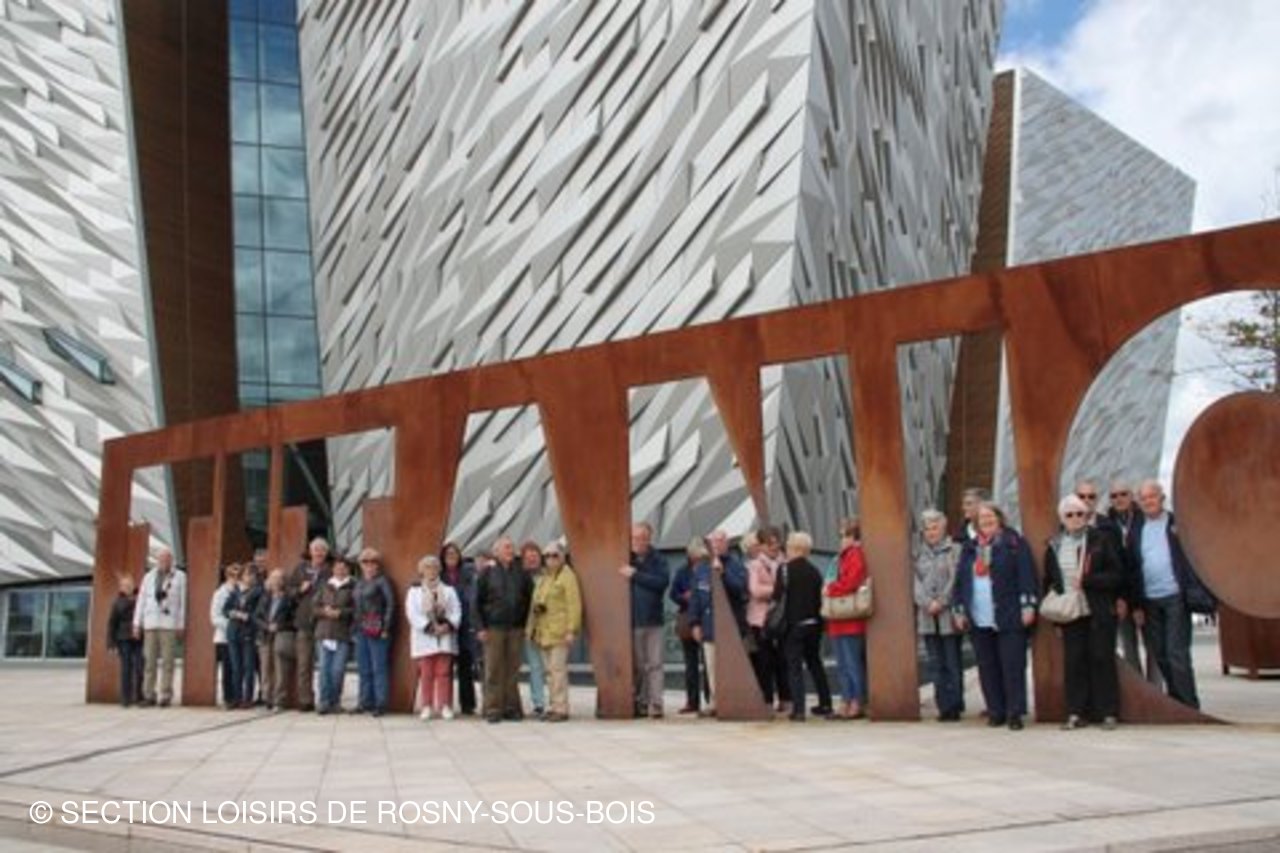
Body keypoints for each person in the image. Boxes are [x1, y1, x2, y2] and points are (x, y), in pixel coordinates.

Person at [1045, 494, 1127, 730]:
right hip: (1071, 611)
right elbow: (1050, 580)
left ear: (1087, 515)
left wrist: (1090, 581)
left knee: (1102, 658)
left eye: (1079, 513)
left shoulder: (1101, 540)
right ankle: (1076, 711)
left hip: (1097, 609)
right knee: (1074, 662)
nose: (1075, 518)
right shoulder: (1055, 544)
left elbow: (1117, 574)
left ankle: (1108, 712)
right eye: (1069, 514)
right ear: (1062, 518)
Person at [1130, 479, 1213, 709]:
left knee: (1177, 653)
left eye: (1152, 496)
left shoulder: (1177, 524)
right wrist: (1136, 604)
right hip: (1149, 599)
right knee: (1160, 653)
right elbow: (1132, 567)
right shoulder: (1137, 529)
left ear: (1162, 498)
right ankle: (1176, 700)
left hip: (1176, 596)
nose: (1148, 501)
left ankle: (1189, 704)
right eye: (1143, 498)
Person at [953, 502, 1037, 730]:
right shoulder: (970, 547)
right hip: (979, 616)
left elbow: (1026, 575)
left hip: (1008, 612)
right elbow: (960, 581)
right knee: (987, 667)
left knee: (1012, 665)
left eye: (991, 516)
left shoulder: (1014, 543)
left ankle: (1014, 712)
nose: (987, 520)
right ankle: (996, 711)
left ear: (999, 518)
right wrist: (959, 609)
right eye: (982, 518)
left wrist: (1028, 606)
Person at [775, 531, 833, 721]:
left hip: (793, 625)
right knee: (815, 663)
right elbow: (819, 598)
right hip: (814, 624)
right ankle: (826, 704)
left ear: (793, 548)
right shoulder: (814, 571)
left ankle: (799, 710)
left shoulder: (784, 570)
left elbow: (777, 595)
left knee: (794, 667)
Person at [476, 535, 534, 723]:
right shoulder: (487, 573)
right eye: (507, 547)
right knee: (494, 669)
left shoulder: (521, 572)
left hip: (516, 628)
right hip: (494, 628)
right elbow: (476, 602)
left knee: (512, 669)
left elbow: (530, 599)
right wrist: (480, 627)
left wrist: (526, 624)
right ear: (496, 552)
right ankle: (493, 708)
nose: (511, 550)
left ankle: (511, 707)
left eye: (511, 547)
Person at [914, 510, 964, 721]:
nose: (931, 532)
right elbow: (914, 581)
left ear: (943, 528)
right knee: (936, 665)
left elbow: (956, 579)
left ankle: (955, 705)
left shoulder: (954, 550)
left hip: (947, 616)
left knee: (952, 663)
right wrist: (926, 602)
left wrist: (942, 601)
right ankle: (943, 706)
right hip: (927, 616)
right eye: (927, 529)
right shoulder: (918, 553)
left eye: (935, 528)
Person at [526, 542, 582, 722]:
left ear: (562, 557)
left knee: (558, 671)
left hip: (560, 632)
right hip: (544, 632)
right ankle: (553, 706)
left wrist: (572, 629)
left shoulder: (567, 576)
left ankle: (561, 708)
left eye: (554, 555)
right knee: (549, 672)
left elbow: (574, 604)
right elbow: (535, 605)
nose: (551, 559)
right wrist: (530, 629)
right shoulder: (544, 578)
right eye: (547, 556)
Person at [619, 521, 670, 719]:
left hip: (653, 620)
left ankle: (656, 704)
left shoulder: (658, 559)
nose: (638, 542)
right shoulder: (625, 557)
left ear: (649, 539)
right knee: (638, 666)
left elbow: (661, 583)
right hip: (631, 621)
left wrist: (635, 575)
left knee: (655, 664)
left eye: (642, 538)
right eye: (634, 538)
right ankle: (640, 702)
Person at [1105, 479, 1152, 679]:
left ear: (1132, 496)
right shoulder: (1107, 525)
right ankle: (1138, 688)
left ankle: (1154, 689)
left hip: (1145, 591)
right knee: (1129, 646)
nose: (1119, 499)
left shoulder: (1144, 520)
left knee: (1153, 647)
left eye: (1123, 494)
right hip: (1121, 595)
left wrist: (1139, 603)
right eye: (1114, 496)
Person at [407, 555, 462, 721]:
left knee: (444, 673)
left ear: (439, 570)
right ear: (421, 571)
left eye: (434, 567)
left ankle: (444, 705)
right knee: (426, 673)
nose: (431, 570)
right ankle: (426, 706)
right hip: (425, 637)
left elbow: (456, 610)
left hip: (445, 636)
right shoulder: (414, 591)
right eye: (427, 567)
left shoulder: (449, 590)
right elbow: (412, 613)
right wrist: (429, 627)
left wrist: (447, 626)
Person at [824, 518, 869, 720]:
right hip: (839, 618)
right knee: (843, 664)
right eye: (841, 535)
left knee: (851, 663)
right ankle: (846, 699)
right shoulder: (840, 558)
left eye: (846, 535)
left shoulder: (855, 554)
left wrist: (831, 589)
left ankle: (856, 700)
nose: (842, 539)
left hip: (850, 618)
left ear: (855, 537)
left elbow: (851, 582)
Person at [132, 548, 186, 707]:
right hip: (150, 623)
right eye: (161, 559)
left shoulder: (180, 576)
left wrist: (181, 624)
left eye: (167, 559)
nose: (164, 562)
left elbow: (183, 602)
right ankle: (149, 694)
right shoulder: (148, 577)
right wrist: (137, 623)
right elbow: (141, 601)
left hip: (169, 624)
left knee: (168, 661)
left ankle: (165, 695)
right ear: (157, 561)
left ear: (172, 560)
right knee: (149, 662)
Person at [746, 526, 790, 714]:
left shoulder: (785, 563)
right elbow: (755, 590)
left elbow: (791, 588)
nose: (774, 546)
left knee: (783, 660)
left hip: (781, 618)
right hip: (760, 620)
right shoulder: (754, 565)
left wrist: (770, 589)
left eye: (776, 542)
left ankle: (786, 699)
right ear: (761, 545)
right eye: (769, 543)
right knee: (764, 662)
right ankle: (767, 701)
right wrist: (777, 590)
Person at [289, 538, 332, 712]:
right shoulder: (300, 568)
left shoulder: (331, 570)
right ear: (310, 551)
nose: (319, 553)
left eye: (322, 550)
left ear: (326, 553)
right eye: (316, 549)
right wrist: (300, 589)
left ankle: (325, 700)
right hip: (304, 622)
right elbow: (289, 591)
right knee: (304, 664)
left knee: (325, 664)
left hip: (324, 623)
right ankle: (305, 700)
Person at [354, 547, 396, 717]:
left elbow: (391, 605)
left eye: (373, 562)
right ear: (360, 564)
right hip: (361, 629)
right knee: (364, 668)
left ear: (378, 565)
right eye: (365, 561)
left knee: (379, 667)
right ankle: (365, 702)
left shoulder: (382, 581)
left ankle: (380, 703)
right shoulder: (358, 583)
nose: (369, 565)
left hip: (377, 629)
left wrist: (386, 627)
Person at [440, 542, 478, 716]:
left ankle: (468, 705)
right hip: (446, 625)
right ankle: (445, 703)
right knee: (445, 668)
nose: (451, 555)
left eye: (454, 552)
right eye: (448, 553)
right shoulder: (440, 574)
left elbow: (472, 595)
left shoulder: (467, 572)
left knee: (465, 667)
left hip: (464, 625)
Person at [668, 543, 707, 714]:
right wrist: (684, 597)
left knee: (708, 663)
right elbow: (673, 593)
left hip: (706, 619)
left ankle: (711, 700)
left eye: (701, 558)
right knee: (691, 664)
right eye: (696, 558)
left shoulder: (708, 569)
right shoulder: (682, 572)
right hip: (687, 618)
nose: (698, 561)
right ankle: (692, 701)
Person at [314, 556, 355, 714]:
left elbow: (356, 609)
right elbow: (314, 607)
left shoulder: (353, 586)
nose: (340, 570)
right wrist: (324, 611)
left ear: (348, 570)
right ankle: (324, 702)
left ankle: (335, 701)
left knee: (338, 670)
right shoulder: (324, 585)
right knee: (324, 669)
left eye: (343, 567)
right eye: (337, 567)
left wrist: (340, 613)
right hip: (324, 633)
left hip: (342, 634)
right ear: (333, 569)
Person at [255, 568, 296, 712]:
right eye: (273, 578)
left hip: (281, 635)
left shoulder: (289, 598)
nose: (275, 581)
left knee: (280, 669)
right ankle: (267, 698)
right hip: (265, 635)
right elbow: (256, 617)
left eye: (279, 578)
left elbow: (293, 620)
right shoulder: (265, 597)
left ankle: (279, 700)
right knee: (265, 669)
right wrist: (266, 626)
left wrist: (279, 626)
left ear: (283, 581)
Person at [686, 539, 717, 716]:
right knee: (710, 667)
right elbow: (695, 600)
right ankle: (714, 702)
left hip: (728, 630)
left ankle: (728, 700)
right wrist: (695, 623)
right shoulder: (700, 572)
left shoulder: (731, 566)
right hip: (707, 626)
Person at [225, 563, 262, 709]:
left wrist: (247, 616)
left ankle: (247, 698)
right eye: (247, 574)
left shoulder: (258, 592)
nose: (250, 577)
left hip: (248, 632)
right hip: (233, 632)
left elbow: (259, 613)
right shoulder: (235, 591)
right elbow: (225, 609)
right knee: (236, 667)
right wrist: (232, 613)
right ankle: (236, 697)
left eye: (253, 575)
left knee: (248, 667)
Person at [519, 540, 549, 718]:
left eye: (535, 556)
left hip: (544, 627)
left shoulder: (548, 576)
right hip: (522, 627)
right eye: (528, 557)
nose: (532, 560)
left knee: (543, 666)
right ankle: (535, 702)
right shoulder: (518, 577)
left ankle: (543, 703)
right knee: (533, 666)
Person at [107, 575, 143, 707]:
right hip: (123, 639)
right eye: (124, 586)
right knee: (126, 668)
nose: (127, 588)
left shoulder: (140, 598)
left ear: (133, 585)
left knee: (140, 666)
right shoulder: (117, 602)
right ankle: (125, 698)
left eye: (129, 585)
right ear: (121, 587)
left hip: (139, 638)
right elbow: (112, 624)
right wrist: (111, 644)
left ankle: (139, 695)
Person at [707, 529, 749, 639]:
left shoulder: (736, 564)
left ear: (727, 543)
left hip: (733, 617)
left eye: (720, 541)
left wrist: (723, 574)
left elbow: (739, 588)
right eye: (714, 541)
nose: (716, 544)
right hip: (711, 620)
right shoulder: (704, 565)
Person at [211, 564, 237, 708]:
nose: (236, 578)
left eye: (238, 575)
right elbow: (214, 617)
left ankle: (237, 696)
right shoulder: (220, 593)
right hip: (224, 638)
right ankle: (228, 698)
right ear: (227, 576)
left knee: (237, 668)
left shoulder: (241, 591)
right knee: (227, 669)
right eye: (233, 575)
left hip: (239, 637)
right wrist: (231, 626)